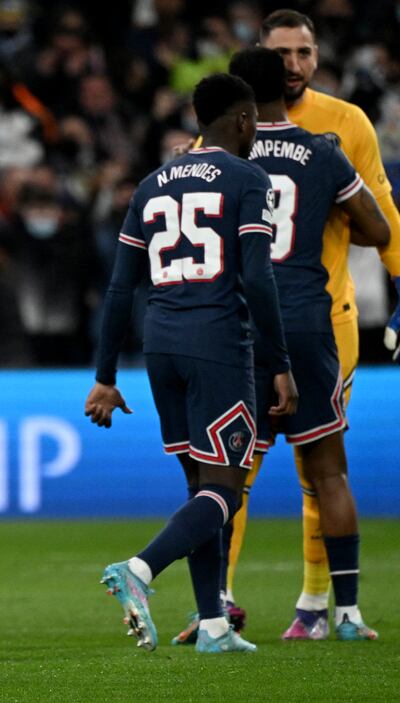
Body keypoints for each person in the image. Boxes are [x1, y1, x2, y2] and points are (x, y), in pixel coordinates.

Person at [170, 48, 390, 646]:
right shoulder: (323, 151)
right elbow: (379, 231)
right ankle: (345, 613)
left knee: (224, 478)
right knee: (328, 473)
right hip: (308, 322)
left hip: (236, 328)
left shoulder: (208, 158)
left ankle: (212, 609)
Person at [87, 73, 297, 653]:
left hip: (161, 347)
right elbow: (257, 277)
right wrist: (278, 361)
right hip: (219, 345)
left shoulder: (152, 183)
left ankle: (212, 625)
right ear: (245, 119)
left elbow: (119, 288)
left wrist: (105, 375)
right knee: (226, 490)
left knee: (200, 488)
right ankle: (141, 569)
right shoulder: (248, 178)